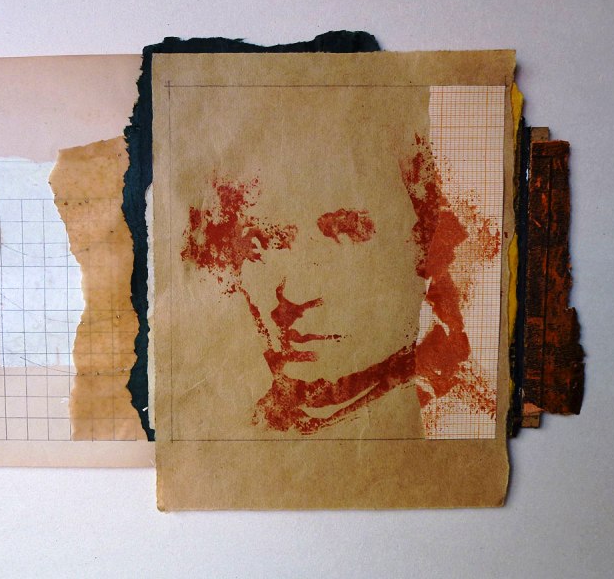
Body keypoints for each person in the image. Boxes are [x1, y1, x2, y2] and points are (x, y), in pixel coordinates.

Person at [181, 136, 498, 436]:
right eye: (264, 240)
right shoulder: (241, 417)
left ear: (422, 249)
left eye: (344, 232)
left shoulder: (456, 414)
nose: (291, 296)